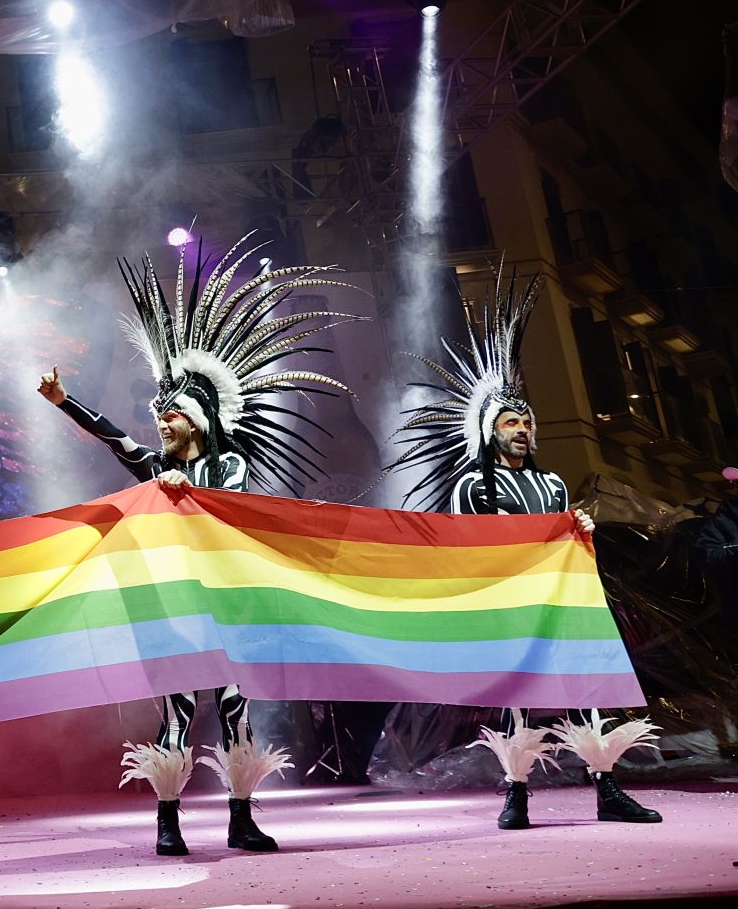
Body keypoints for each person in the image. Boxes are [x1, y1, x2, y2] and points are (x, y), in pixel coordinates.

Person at [38, 234, 357, 855]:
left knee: (236, 712)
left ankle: (241, 817)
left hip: (228, 608)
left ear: (201, 421)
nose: (162, 421)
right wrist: (64, 402)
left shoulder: (230, 469)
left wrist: (185, 493)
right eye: (161, 414)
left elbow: (225, 519)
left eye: (173, 415)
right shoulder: (158, 465)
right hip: (175, 607)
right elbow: (114, 441)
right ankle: (168, 821)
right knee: (178, 714)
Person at [388, 264, 662, 830]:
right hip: (512, 608)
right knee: (518, 698)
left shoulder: (554, 484)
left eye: (525, 421)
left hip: (562, 604)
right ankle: (516, 792)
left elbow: (566, 541)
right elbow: (474, 552)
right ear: (490, 430)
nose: (521, 429)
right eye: (510, 421)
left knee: (584, 690)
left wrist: (578, 526)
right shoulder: (474, 485)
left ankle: (605, 786)